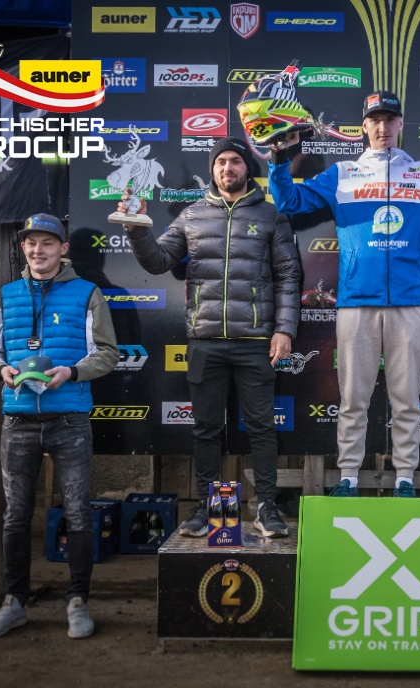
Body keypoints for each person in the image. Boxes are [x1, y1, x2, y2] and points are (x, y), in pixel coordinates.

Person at [268, 90, 420, 498]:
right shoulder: (343, 174)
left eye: (390, 119)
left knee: (407, 399)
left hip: (411, 304)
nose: (382, 127)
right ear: (364, 126)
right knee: (352, 399)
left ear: (401, 124)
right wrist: (278, 158)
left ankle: (405, 477)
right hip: (356, 303)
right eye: (375, 120)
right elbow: (289, 200)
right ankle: (348, 476)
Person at [118, 137, 301, 538]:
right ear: (213, 170)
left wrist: (285, 330)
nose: (227, 168)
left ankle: (266, 507)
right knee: (205, 428)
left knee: (261, 427)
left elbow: (289, 276)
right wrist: (136, 229)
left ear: (246, 169)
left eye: (235, 161)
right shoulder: (192, 215)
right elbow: (159, 261)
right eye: (220, 162)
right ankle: (208, 508)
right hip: (206, 340)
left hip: (255, 341)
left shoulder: (271, 216)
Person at [0, 213, 118, 639]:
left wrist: (70, 373)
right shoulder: (6, 296)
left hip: (69, 419)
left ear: (63, 249)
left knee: (78, 514)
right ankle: (15, 602)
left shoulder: (88, 293)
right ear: (23, 248)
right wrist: (0, 371)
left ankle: (78, 602)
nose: (38, 250)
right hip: (18, 420)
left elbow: (108, 353)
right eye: (31, 243)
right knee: (15, 517)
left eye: (47, 243)